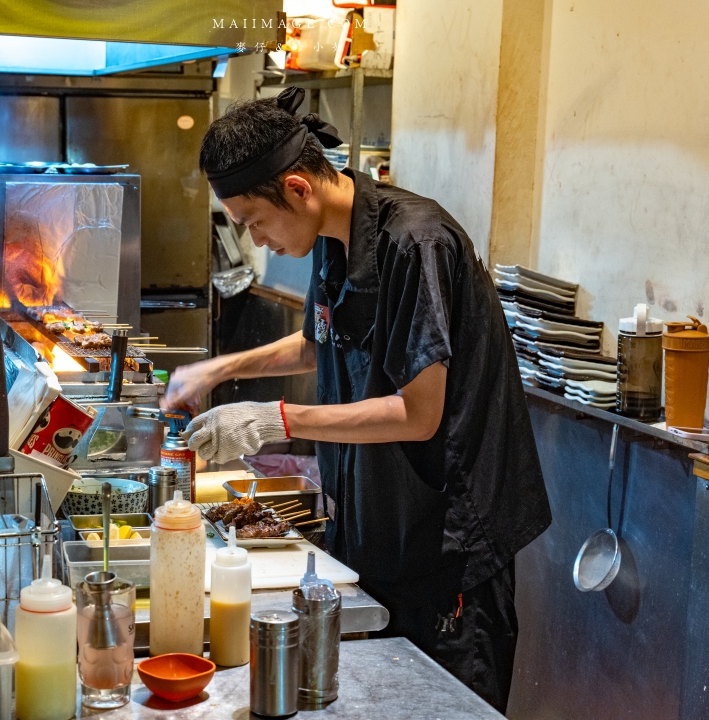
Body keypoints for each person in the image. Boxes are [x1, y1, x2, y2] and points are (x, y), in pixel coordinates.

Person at [162, 87, 551, 711]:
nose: (255, 241)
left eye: (254, 222)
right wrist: (219, 368)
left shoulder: (415, 242)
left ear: (297, 188)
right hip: (381, 528)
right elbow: (319, 343)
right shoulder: (333, 239)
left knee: (442, 707)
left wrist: (272, 418)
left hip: (446, 545)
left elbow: (419, 414)